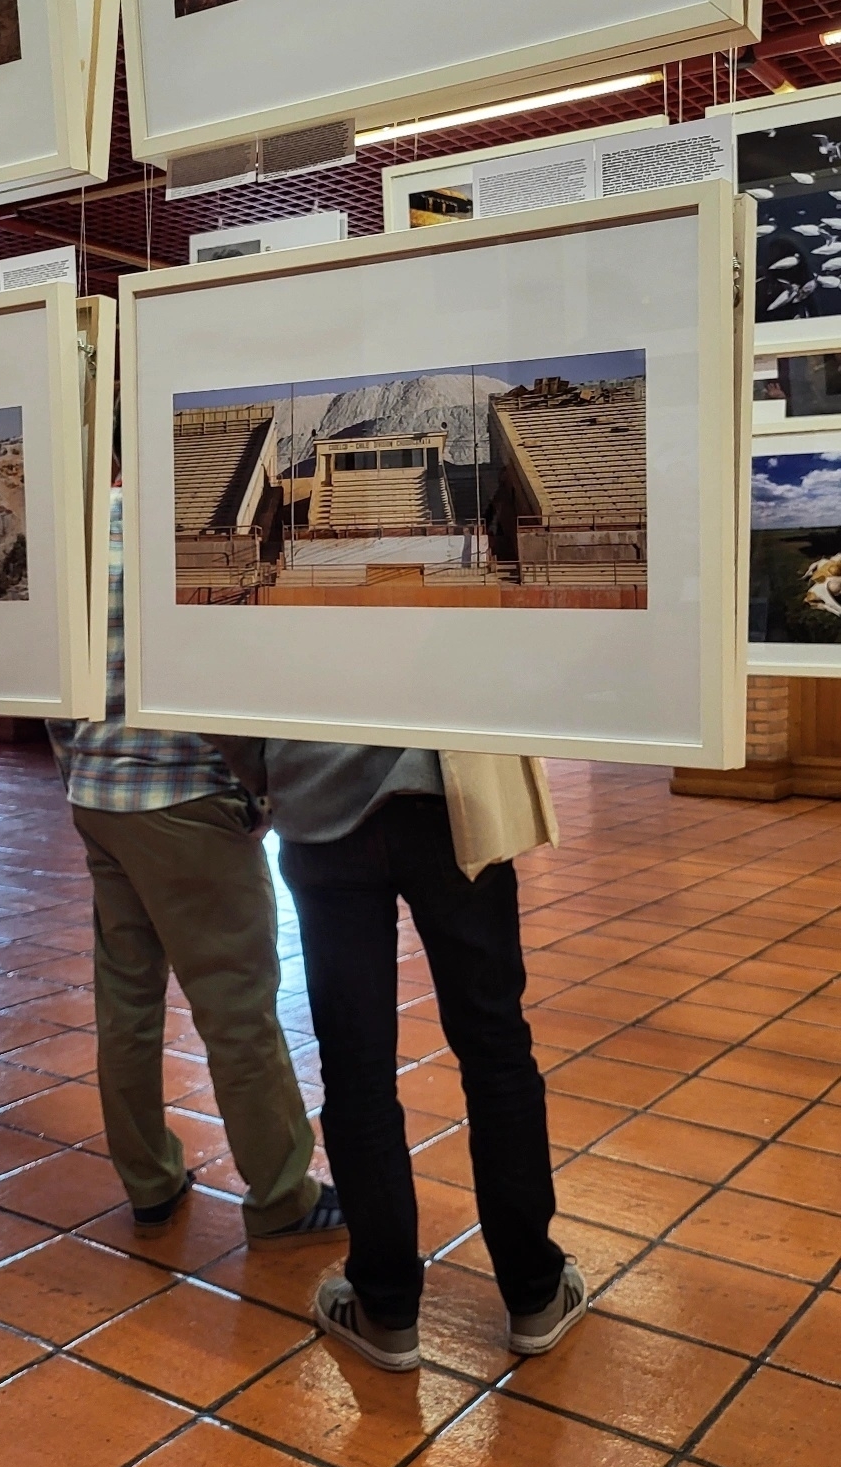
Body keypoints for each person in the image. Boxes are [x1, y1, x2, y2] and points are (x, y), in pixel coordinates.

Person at [49, 443, 344, 1248]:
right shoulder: (188, 535)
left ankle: (149, 1181)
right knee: (235, 1003)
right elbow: (232, 684)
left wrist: (79, 769)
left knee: (127, 1000)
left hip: (98, 797)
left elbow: (45, 682)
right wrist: (260, 788)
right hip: (187, 797)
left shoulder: (71, 537)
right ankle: (281, 1194)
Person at [210, 737, 585, 1367]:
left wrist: (270, 771)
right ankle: (535, 1291)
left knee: (356, 1069)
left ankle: (384, 1308)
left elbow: (236, 694)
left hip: (318, 795)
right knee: (497, 1051)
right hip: (451, 789)